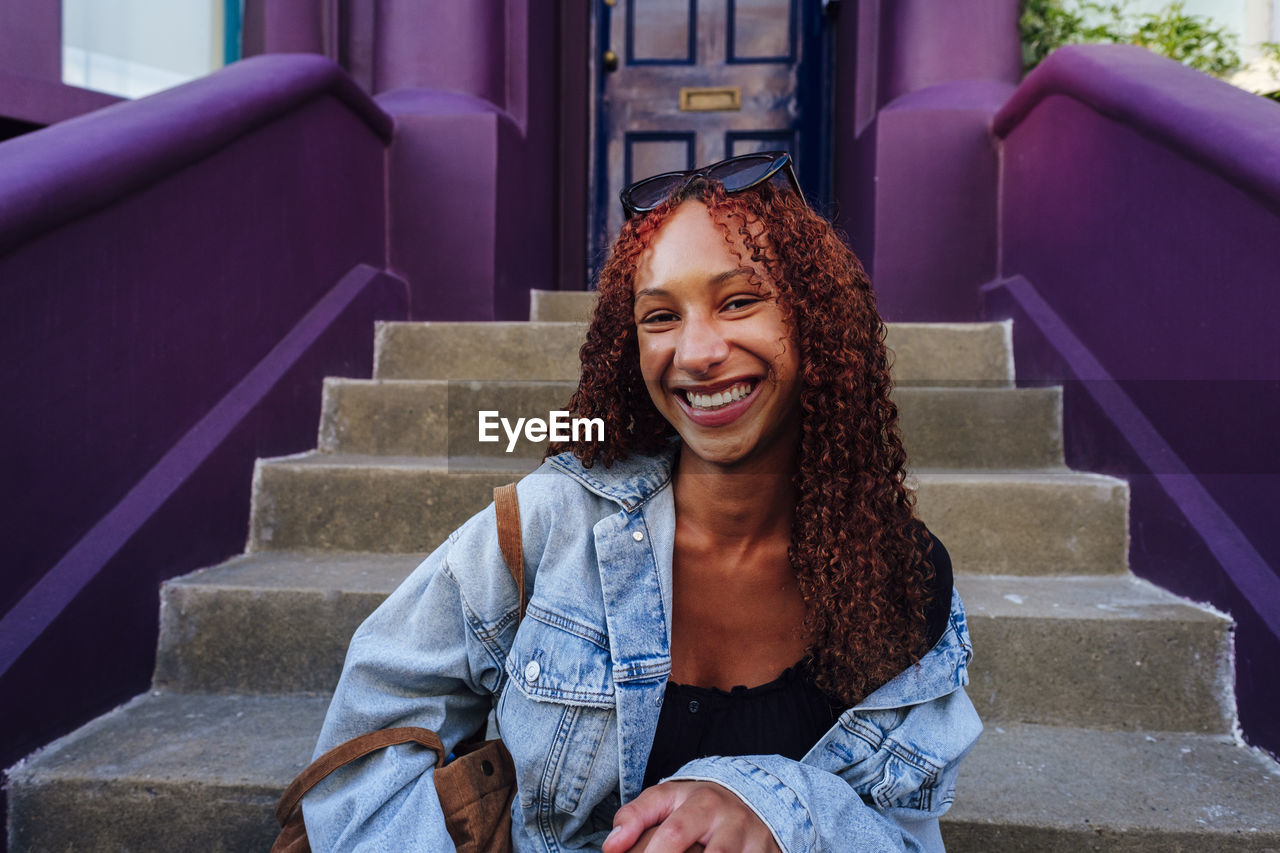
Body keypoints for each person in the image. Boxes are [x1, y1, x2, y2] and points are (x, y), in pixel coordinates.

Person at [302, 151, 982, 852]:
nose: (695, 350)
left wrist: (776, 807)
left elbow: (900, 831)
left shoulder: (900, 578)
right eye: (660, 316)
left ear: (815, 319)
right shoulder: (549, 523)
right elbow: (365, 748)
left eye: (739, 300)